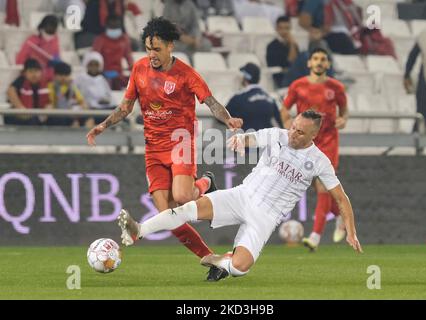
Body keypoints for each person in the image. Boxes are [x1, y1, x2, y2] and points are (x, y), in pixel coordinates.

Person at [118, 110, 362, 281]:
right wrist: (240, 140)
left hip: (265, 216)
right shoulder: (278, 135)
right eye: (293, 127)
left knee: (240, 267)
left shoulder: (320, 161)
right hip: (243, 196)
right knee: (186, 210)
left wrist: (350, 231)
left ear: (313, 136)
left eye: (300, 132)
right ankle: (138, 230)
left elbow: (341, 198)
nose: (293, 134)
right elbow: (252, 138)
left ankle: (221, 260)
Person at [86, 17, 243, 280]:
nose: (152, 55)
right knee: (167, 214)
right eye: (148, 49)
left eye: (157, 49)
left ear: (170, 46)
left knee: (182, 198)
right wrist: (103, 125)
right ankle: (212, 260)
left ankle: (205, 182)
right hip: (153, 149)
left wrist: (227, 119)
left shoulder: (186, 74)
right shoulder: (138, 70)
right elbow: (126, 107)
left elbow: (211, 102)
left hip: (181, 141)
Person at [280, 48, 348, 251]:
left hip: (328, 142)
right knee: (316, 186)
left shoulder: (336, 87)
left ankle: (315, 237)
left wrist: (342, 120)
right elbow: (285, 107)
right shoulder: (298, 85)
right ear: (309, 63)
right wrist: (287, 124)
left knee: (322, 186)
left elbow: (344, 111)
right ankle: (341, 216)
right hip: (305, 143)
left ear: (328, 64)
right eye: (316, 59)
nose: (319, 62)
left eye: (323, 59)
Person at [226, 63, 283, 131]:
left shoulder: (238, 98)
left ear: (245, 77)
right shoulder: (270, 99)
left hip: (246, 138)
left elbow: (223, 118)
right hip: (266, 139)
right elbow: (279, 124)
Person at [92, 14, 134, 90]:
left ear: (120, 27)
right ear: (106, 26)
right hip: (103, 74)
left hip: (119, 75)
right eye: (112, 26)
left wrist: (135, 73)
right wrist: (99, 73)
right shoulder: (100, 40)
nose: (114, 29)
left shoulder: (124, 39)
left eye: (116, 27)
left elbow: (129, 58)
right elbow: (94, 58)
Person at [5, 58, 51, 125]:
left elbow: (50, 102)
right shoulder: (21, 81)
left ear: (41, 72)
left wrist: (47, 109)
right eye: (30, 71)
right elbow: (10, 91)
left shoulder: (46, 83)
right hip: (24, 115)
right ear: (25, 73)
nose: (34, 74)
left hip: (39, 116)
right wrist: (21, 108)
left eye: (36, 71)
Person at [16, 15, 60, 82]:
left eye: (53, 30)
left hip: (48, 77)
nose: (50, 32)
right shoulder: (31, 40)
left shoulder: (55, 40)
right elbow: (20, 60)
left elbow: (56, 55)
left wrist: (56, 61)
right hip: (32, 75)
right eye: (48, 30)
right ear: (42, 27)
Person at [48, 62, 92, 127]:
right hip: (57, 114)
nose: (63, 77)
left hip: (71, 113)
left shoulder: (72, 87)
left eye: (66, 75)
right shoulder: (51, 86)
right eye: (60, 75)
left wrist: (84, 107)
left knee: (89, 119)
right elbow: (51, 104)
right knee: (73, 122)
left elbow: (82, 101)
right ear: (55, 75)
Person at [266, 16, 300, 88]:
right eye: (281, 28)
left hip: (295, 76)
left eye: (287, 28)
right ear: (277, 29)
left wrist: (292, 44)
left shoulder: (293, 44)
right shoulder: (272, 46)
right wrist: (292, 45)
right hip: (282, 78)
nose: (284, 31)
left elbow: (297, 63)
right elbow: (289, 62)